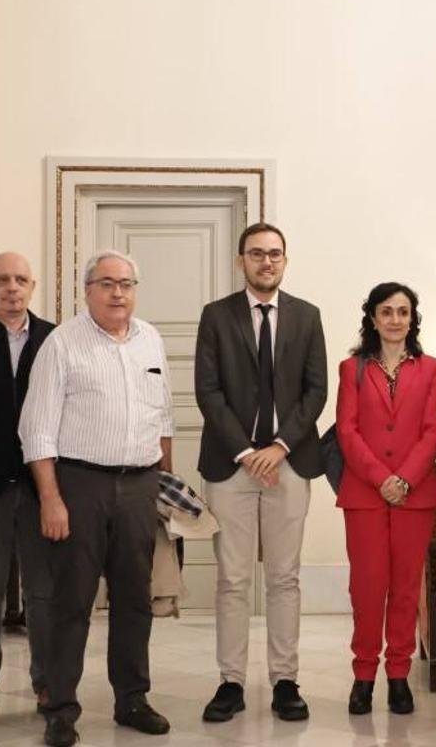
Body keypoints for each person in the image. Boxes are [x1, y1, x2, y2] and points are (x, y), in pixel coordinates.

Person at [19, 250, 173, 747]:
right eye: (106, 284)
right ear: (87, 291)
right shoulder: (63, 344)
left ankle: (132, 698)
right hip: (80, 486)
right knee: (72, 602)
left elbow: (163, 418)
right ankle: (60, 707)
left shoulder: (150, 339)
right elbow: (36, 430)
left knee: (135, 600)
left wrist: (162, 488)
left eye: (126, 283)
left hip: (140, 487)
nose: (118, 293)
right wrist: (51, 499)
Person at [194, 222, 328, 723]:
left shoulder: (307, 316)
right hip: (231, 466)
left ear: (285, 261)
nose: (266, 262)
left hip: (290, 462)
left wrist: (279, 445)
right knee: (231, 578)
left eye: (274, 254)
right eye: (256, 254)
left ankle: (285, 680)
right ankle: (230, 682)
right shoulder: (216, 316)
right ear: (240, 261)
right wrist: (248, 451)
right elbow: (208, 391)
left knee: (284, 577)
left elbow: (316, 391)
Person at [336, 282, 436, 716]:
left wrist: (405, 479)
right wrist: (382, 478)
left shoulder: (431, 367)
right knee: (367, 588)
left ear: (412, 319)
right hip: (364, 494)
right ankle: (364, 676)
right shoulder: (352, 368)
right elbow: (347, 430)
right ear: (373, 318)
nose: (396, 320)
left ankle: (398, 676)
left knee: (404, 588)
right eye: (387, 312)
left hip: (415, 496)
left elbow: (433, 430)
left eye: (403, 312)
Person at [0, 252, 54, 709]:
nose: (11, 287)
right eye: (1, 280)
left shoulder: (56, 340)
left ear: (33, 286)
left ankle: (48, 686)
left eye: (19, 280)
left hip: (41, 489)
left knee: (44, 594)